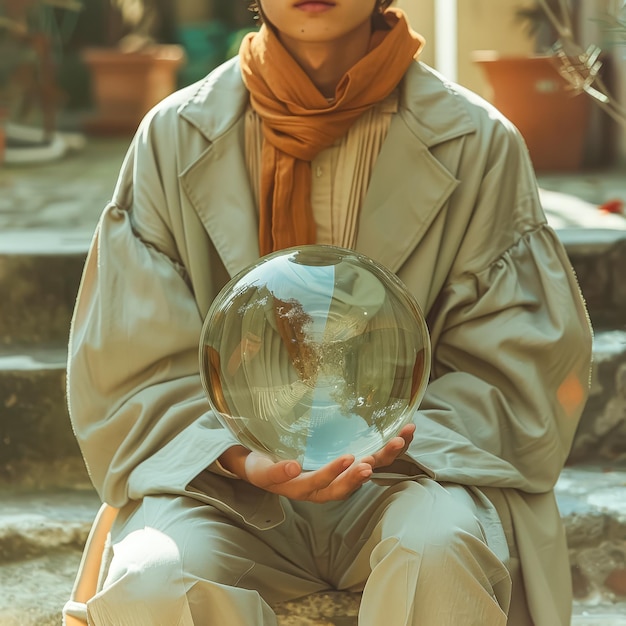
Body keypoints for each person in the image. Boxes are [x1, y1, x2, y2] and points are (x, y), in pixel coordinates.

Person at [63, 1, 593, 624]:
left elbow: (520, 366)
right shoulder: (172, 136)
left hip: (418, 474)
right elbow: (130, 364)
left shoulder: (478, 141)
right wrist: (239, 456)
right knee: (155, 578)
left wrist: (389, 442)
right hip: (222, 484)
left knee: (439, 548)